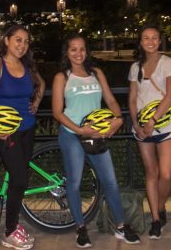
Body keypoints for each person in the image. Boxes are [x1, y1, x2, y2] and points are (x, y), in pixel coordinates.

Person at [52, 34, 141, 247]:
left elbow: (110, 99)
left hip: (97, 135)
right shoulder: (62, 77)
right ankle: (80, 229)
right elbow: (57, 112)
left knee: (110, 182)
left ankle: (121, 225)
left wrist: (118, 119)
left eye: (82, 49)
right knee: (74, 184)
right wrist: (80, 129)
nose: (78, 53)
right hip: (72, 134)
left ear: (87, 51)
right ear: (67, 52)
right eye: (73, 49)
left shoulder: (96, 73)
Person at [0, 25, 45, 250]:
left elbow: (42, 84)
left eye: (26, 42)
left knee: (18, 179)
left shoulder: (27, 65)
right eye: (18, 40)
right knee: (19, 180)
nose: (22, 45)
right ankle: (10, 231)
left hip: (28, 128)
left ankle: (13, 222)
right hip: (6, 132)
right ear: (6, 40)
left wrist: (35, 103)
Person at [127, 25, 171, 240]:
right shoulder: (135, 67)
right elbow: (132, 98)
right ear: (140, 42)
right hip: (141, 127)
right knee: (151, 172)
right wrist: (136, 123)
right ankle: (156, 219)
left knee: (166, 174)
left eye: (154, 38)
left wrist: (153, 120)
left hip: (164, 124)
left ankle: (160, 205)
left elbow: (170, 95)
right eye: (146, 38)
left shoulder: (167, 63)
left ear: (160, 41)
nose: (150, 41)